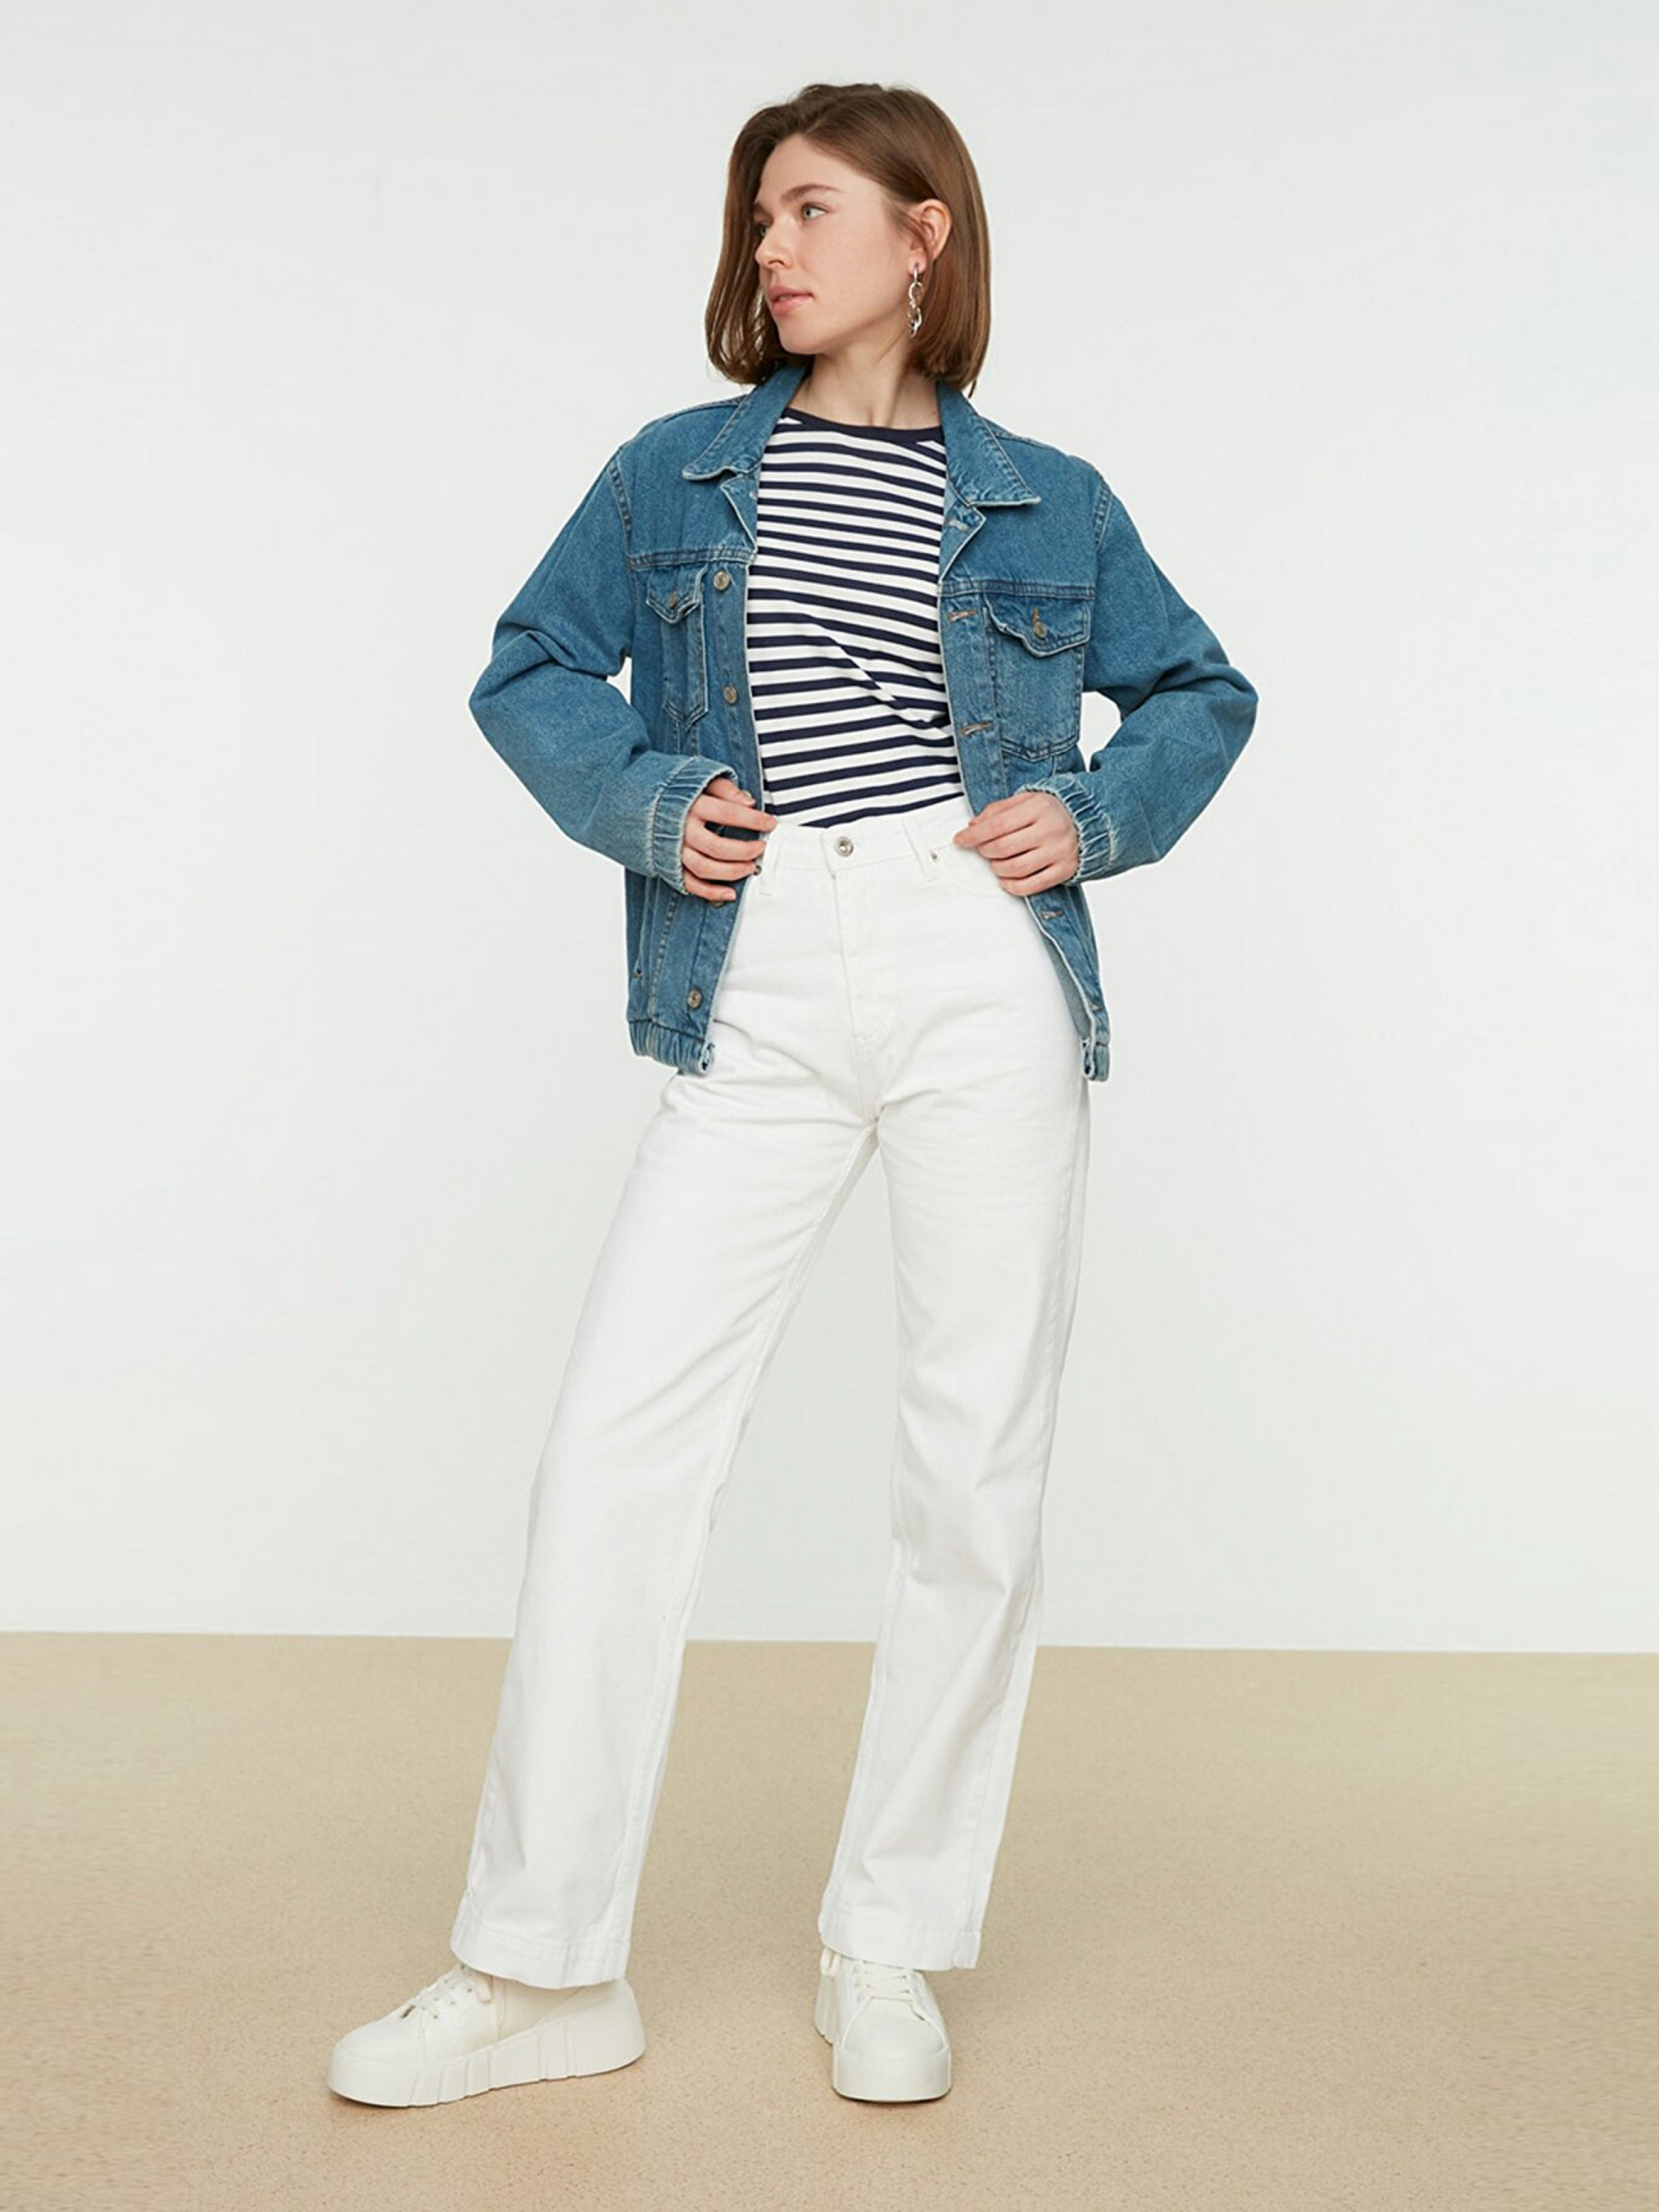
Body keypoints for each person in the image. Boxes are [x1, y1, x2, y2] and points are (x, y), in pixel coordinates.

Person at [328, 79, 1258, 2111]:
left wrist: (1090, 817)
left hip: (974, 955)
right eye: (758, 216)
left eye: (811, 209)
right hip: (755, 963)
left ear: (923, 240)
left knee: (968, 1464)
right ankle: (540, 1968)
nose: (769, 247)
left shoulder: (1050, 498)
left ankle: (888, 1938)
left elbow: (1201, 690)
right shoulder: (671, 474)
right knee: (616, 1448)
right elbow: (528, 667)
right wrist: (651, 801)